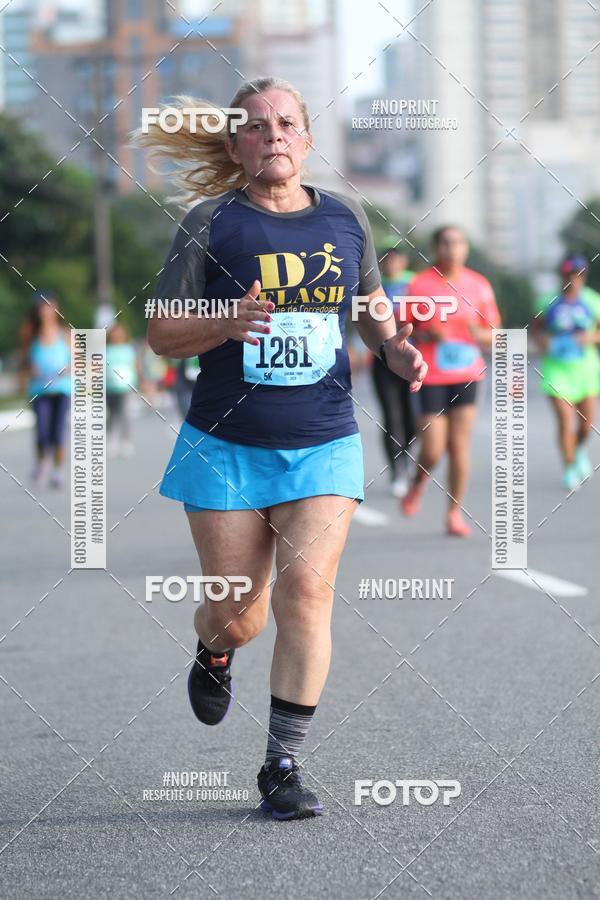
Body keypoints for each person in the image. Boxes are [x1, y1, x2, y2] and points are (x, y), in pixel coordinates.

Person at [135, 76, 427, 820]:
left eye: (287, 124)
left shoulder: (345, 216)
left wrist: (396, 351)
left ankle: (281, 763)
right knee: (239, 611)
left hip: (323, 438)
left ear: (306, 138)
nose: (273, 137)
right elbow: (161, 335)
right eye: (257, 128)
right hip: (225, 441)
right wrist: (225, 321)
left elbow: (370, 313)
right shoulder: (210, 221)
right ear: (237, 145)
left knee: (307, 595)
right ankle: (215, 648)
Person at [400, 225, 501, 536]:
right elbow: (402, 328)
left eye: (458, 242)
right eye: (445, 243)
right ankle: (418, 483)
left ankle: (454, 513)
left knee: (458, 446)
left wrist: (478, 334)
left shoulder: (479, 285)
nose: (452, 249)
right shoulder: (419, 285)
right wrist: (427, 334)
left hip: (467, 374)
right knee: (432, 448)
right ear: (436, 248)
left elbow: (495, 334)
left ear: (466, 247)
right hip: (430, 375)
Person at [532, 255, 600, 490]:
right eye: (569, 274)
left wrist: (590, 337)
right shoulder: (547, 302)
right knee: (564, 420)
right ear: (561, 276)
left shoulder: (593, 301)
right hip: (556, 370)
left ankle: (579, 449)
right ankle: (569, 466)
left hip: (586, 370)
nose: (574, 279)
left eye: (579, 274)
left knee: (586, 423)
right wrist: (543, 342)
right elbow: (535, 329)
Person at [370, 240, 416, 497]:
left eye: (395, 258)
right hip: (383, 359)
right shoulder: (373, 286)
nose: (391, 263)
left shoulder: (415, 284)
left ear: (404, 261)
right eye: (386, 259)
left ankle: (406, 456)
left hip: (412, 359)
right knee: (392, 415)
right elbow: (360, 318)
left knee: (414, 418)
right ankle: (397, 470)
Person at [21, 294, 70, 488]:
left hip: (61, 388)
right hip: (40, 390)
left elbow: (78, 360)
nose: (46, 311)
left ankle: (58, 471)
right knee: (42, 432)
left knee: (58, 431)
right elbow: (23, 361)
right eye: (42, 307)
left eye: (49, 307)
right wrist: (30, 369)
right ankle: (42, 463)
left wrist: (67, 368)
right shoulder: (30, 334)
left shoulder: (65, 334)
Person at [106, 323, 138, 458]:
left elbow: (135, 366)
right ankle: (111, 439)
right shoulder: (106, 350)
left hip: (124, 386)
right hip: (109, 387)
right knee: (111, 414)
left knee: (124, 414)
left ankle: (126, 441)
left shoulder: (128, 349)